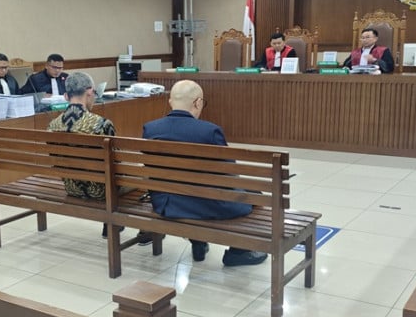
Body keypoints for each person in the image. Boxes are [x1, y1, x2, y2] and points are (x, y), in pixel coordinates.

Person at [142, 79, 267, 267]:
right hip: (207, 204)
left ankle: (198, 241)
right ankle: (239, 251)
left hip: (166, 203)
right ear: (198, 103)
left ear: (171, 102)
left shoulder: (150, 129)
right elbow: (229, 172)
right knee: (255, 195)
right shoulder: (210, 131)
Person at [48, 72, 152, 243]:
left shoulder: (52, 126)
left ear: (66, 96)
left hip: (72, 187)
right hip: (101, 191)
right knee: (147, 174)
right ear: (89, 92)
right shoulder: (101, 124)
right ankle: (146, 230)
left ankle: (111, 225)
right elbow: (117, 167)